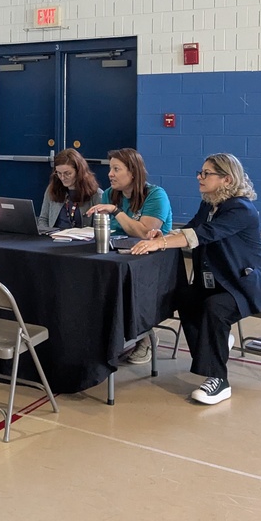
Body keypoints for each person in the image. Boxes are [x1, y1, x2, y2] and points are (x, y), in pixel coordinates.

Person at [132, 154, 261, 405]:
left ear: (226, 179)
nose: (199, 178)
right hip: (221, 283)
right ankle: (215, 345)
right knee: (185, 297)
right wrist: (163, 234)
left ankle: (219, 381)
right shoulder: (209, 204)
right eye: (200, 172)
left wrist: (161, 243)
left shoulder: (241, 209)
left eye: (206, 173)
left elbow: (204, 234)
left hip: (250, 286)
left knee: (215, 308)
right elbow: (190, 228)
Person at [87, 148, 173, 364]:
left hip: (151, 259)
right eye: (110, 169)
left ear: (133, 173)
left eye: (116, 169)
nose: (110, 174)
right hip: (120, 253)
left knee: (132, 281)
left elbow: (146, 233)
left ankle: (145, 336)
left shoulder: (155, 194)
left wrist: (117, 212)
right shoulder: (109, 194)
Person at [37, 148, 102, 229]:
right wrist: (45, 234)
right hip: (54, 239)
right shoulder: (52, 189)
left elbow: (100, 227)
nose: (62, 178)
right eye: (59, 173)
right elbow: (43, 219)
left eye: (67, 173)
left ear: (79, 172)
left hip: (82, 240)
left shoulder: (96, 194)